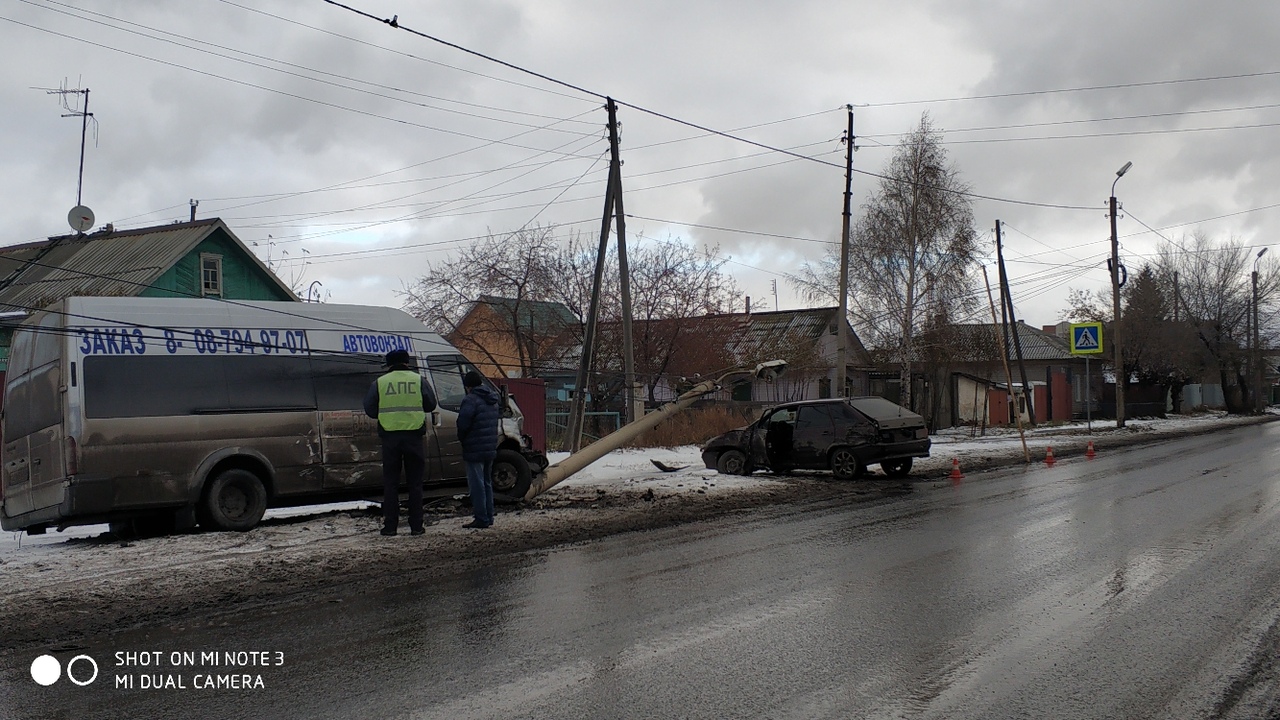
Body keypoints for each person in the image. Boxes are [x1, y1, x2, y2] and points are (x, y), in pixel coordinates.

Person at [364, 349, 438, 536]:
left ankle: (390, 527)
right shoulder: (418, 380)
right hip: (414, 436)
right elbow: (430, 405)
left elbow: (370, 409)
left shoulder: (380, 383)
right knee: (415, 484)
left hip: (390, 437)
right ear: (407, 362)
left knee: (390, 484)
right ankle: (416, 526)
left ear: (389, 364)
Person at [456, 370, 500, 529]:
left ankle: (481, 518)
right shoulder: (492, 399)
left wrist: (462, 439)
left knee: (477, 484)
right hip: (489, 447)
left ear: (468, 386)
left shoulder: (470, 400)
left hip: (474, 448)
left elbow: (463, 424)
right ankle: (489, 516)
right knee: (487, 483)